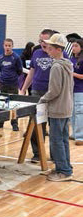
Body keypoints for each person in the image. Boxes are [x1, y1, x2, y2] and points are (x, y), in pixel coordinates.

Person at [39, 33, 73, 181]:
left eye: (51, 48)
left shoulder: (56, 67)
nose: (48, 50)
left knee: (57, 140)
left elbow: (54, 90)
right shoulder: (68, 64)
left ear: (59, 49)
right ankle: (65, 167)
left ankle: (63, 171)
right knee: (63, 139)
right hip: (66, 108)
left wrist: (42, 99)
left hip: (58, 109)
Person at [19, 29, 54, 163]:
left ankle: (55, 155)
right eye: (40, 40)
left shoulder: (58, 54)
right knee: (36, 123)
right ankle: (37, 153)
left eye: (45, 41)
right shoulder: (36, 52)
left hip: (53, 94)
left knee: (53, 125)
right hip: (36, 92)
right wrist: (23, 89)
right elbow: (32, 72)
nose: (42, 43)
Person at [0, 38, 23, 131]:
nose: (7, 47)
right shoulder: (0, 58)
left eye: (9, 46)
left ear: (12, 46)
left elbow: (20, 71)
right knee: (1, 104)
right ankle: (0, 122)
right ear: (3, 46)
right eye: (6, 45)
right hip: (3, 84)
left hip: (13, 85)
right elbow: (0, 70)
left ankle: (14, 123)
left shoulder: (16, 57)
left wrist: (14, 79)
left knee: (13, 105)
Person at [70, 39, 83, 145]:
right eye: (72, 46)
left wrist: (72, 74)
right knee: (72, 113)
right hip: (71, 89)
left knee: (79, 112)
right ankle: (74, 133)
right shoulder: (71, 59)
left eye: (76, 46)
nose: (73, 48)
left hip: (80, 90)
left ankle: (80, 136)